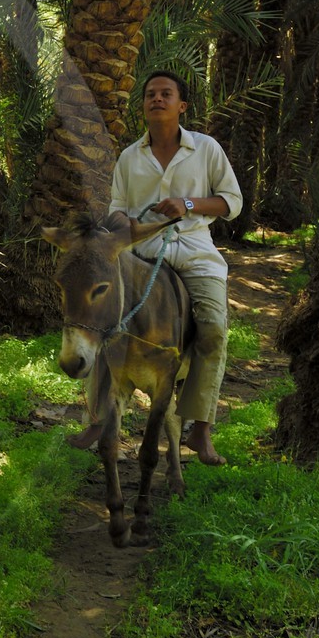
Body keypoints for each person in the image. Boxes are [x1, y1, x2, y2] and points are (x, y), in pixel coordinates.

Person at [107, 70, 243, 465]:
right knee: (102, 320)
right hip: (143, 254)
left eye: (166, 94)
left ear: (181, 106)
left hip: (196, 252)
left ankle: (200, 429)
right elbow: (116, 209)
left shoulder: (206, 149)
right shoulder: (129, 157)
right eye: (150, 94)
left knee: (214, 329)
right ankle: (99, 417)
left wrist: (187, 205)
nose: (157, 99)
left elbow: (231, 202)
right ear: (144, 104)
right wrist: (126, 226)